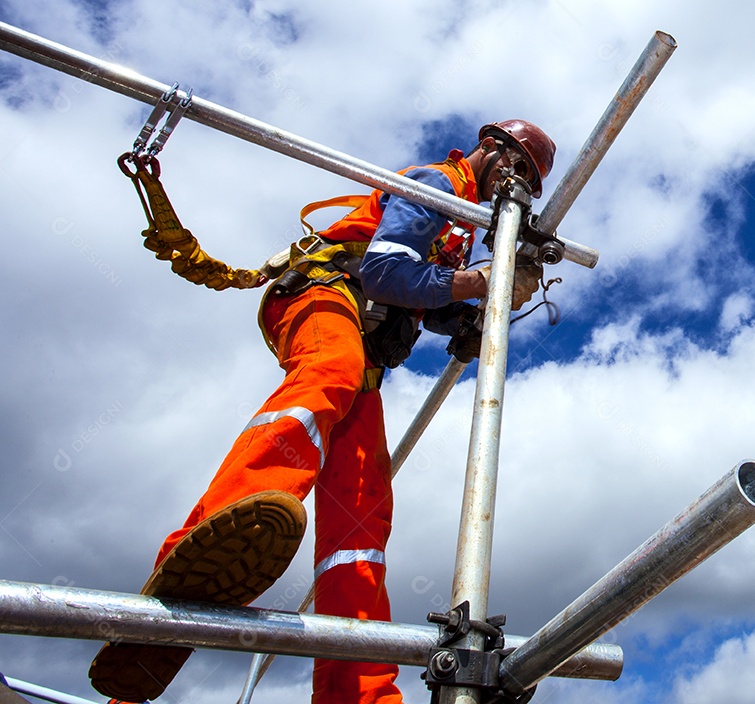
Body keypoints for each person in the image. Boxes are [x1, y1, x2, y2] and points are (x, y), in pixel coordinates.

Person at [88, 120, 556, 704]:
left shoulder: (456, 228)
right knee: (327, 374)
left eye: (530, 186)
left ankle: (357, 690)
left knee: (363, 510)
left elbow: (421, 293)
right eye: (518, 171)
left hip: (364, 347)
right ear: (491, 149)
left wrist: (467, 314)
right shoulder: (436, 187)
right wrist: (477, 282)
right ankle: (219, 532)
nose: (514, 189)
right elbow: (385, 272)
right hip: (322, 296)